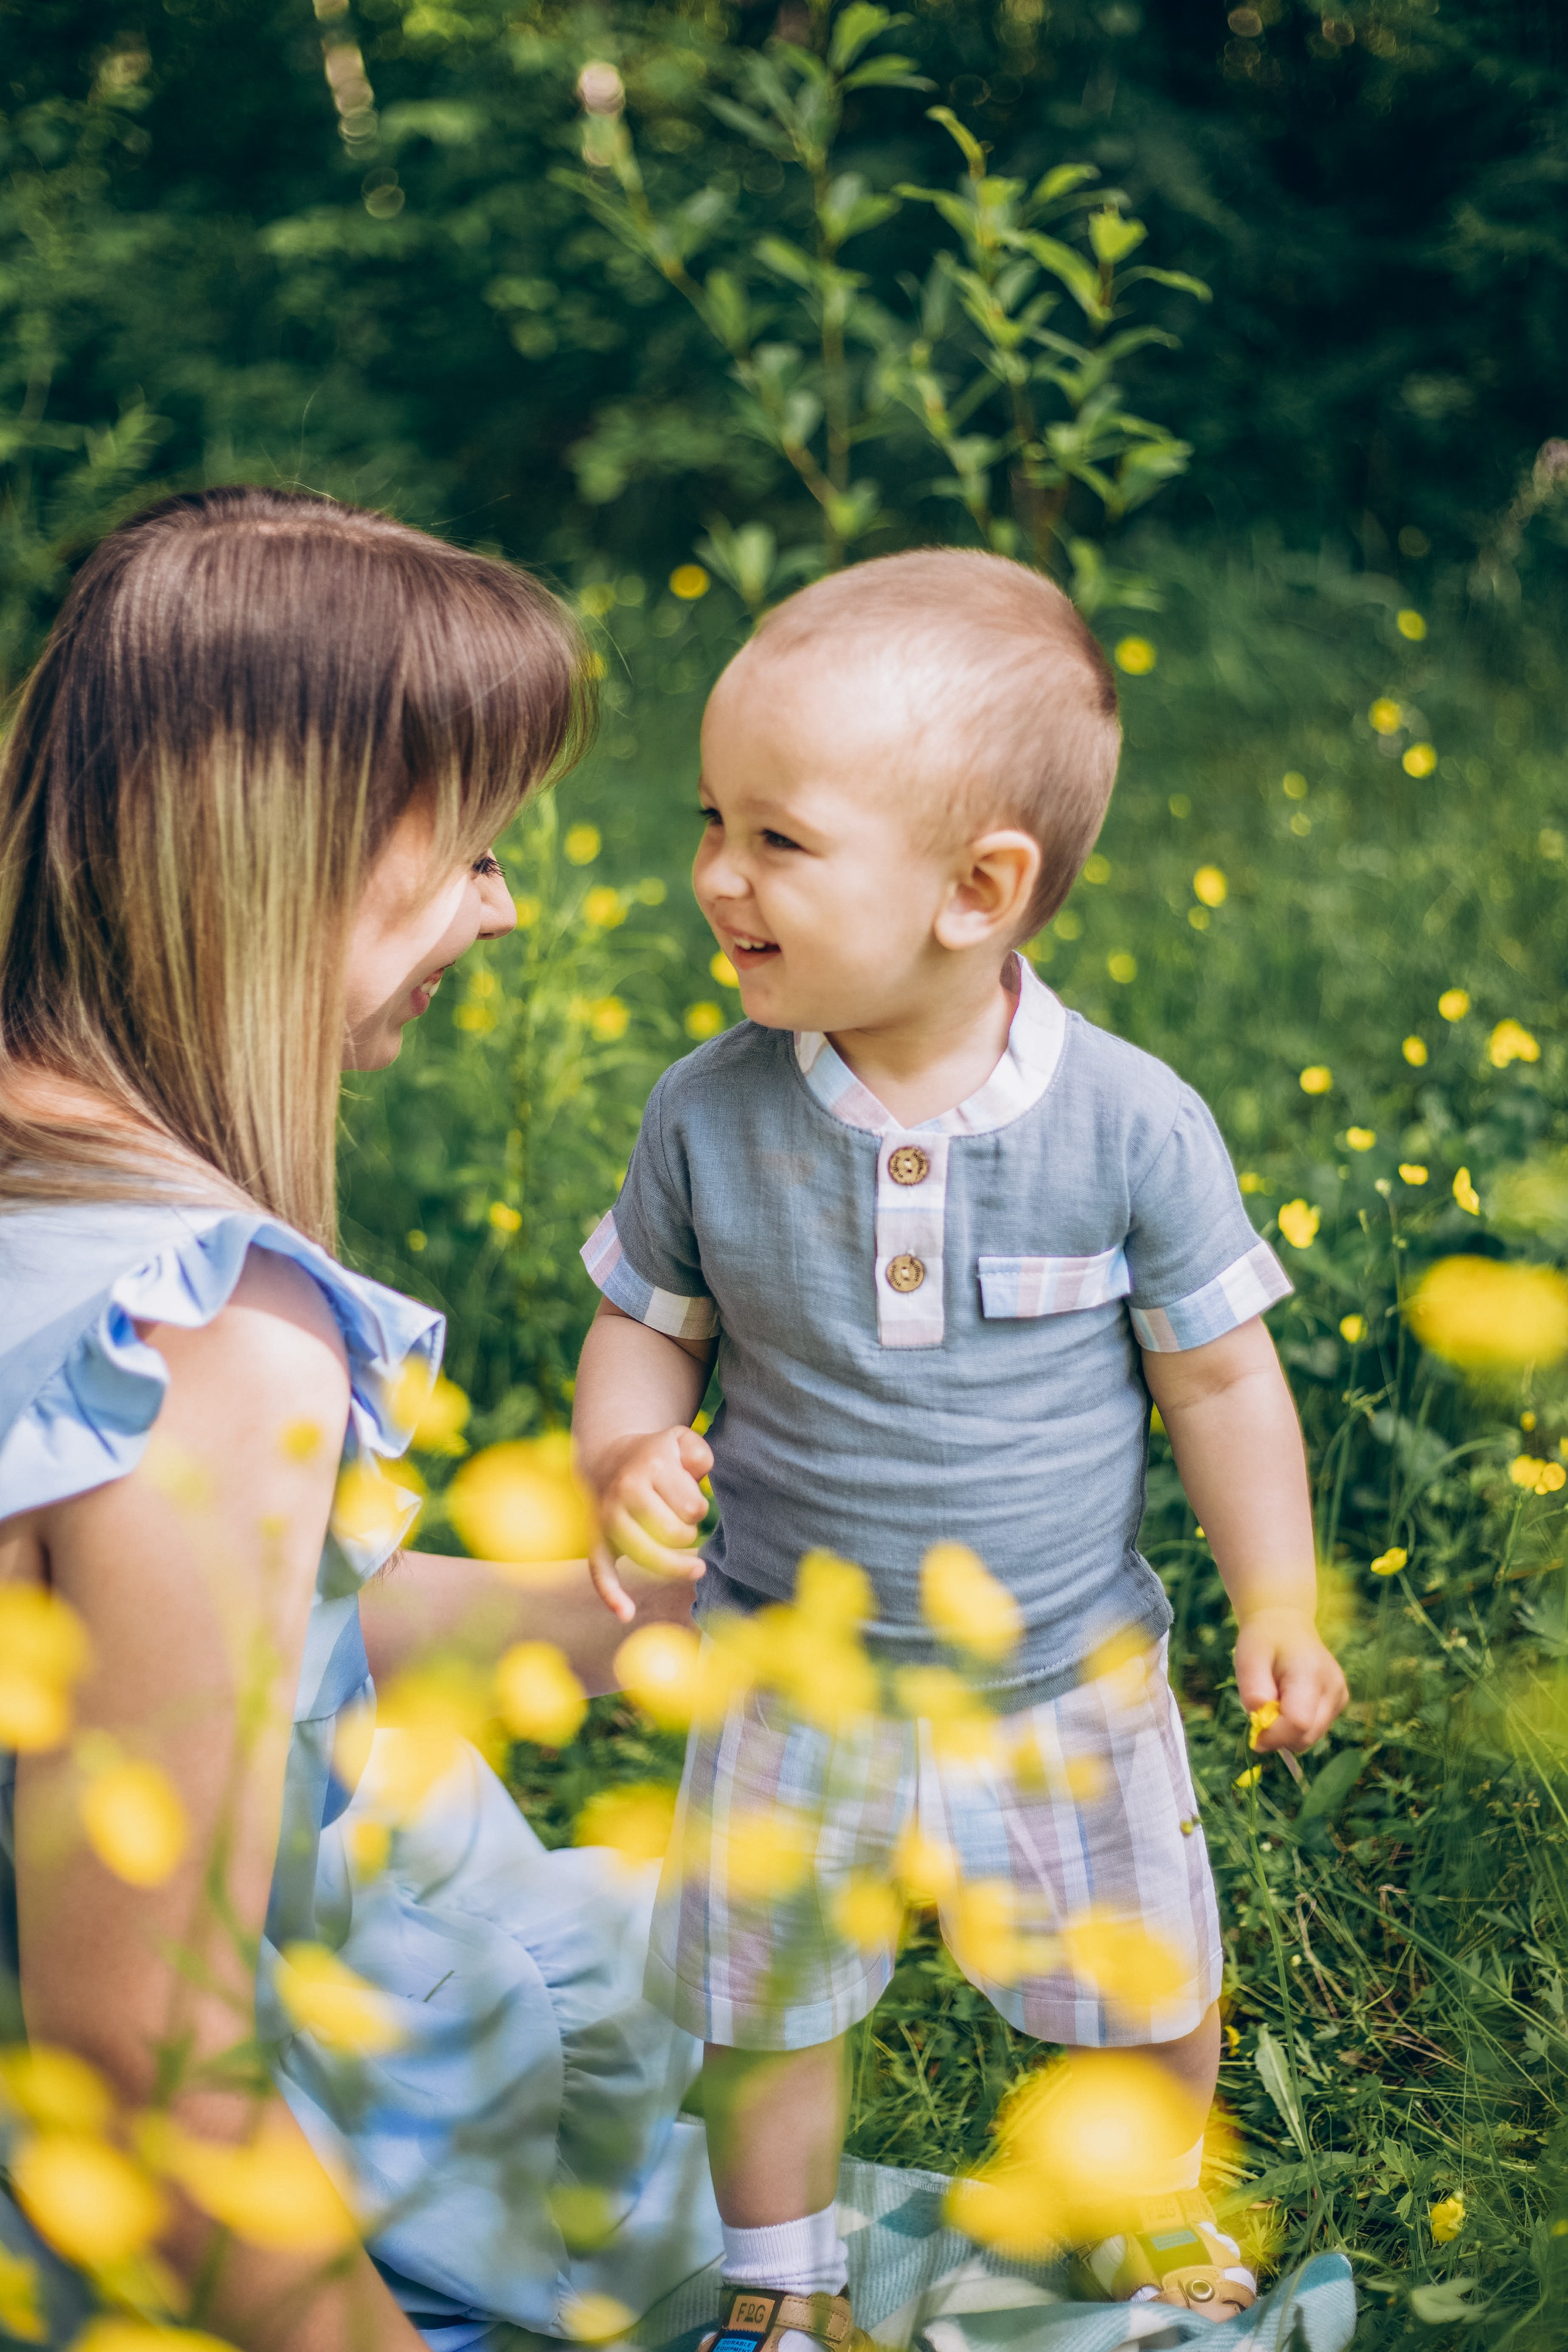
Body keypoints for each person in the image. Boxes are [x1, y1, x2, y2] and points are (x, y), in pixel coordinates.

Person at [570, 549, 1351, 2331]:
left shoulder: (1132, 1125)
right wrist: (625, 1462)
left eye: (777, 840)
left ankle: (1152, 2198)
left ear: (978, 890)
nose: (714, 877)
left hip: (1064, 1674)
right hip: (787, 1659)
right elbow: (643, 1330)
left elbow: (1221, 1383)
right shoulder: (708, 1115)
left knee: (1135, 1974)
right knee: (765, 1991)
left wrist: (1280, 1602)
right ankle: (780, 2275)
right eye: (711, 822)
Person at [0, 486, 722, 2352]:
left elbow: (223, 1643)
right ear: (296, 848)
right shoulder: (215, 1339)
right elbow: (145, 2064)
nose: (504, 904)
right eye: (473, 845)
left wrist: (629, 1608)